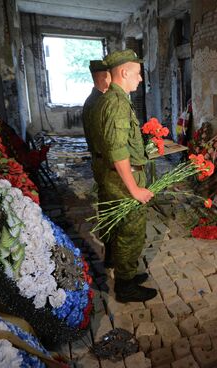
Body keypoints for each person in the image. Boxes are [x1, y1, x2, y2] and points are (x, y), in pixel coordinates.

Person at [91, 49, 156, 302]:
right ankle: (126, 287)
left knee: (119, 229)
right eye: (138, 74)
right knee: (131, 231)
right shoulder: (117, 103)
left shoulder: (109, 99)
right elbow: (118, 152)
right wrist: (135, 189)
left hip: (111, 178)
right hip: (122, 180)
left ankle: (125, 271)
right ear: (125, 72)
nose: (140, 79)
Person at [82, 60, 114, 267]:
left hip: (101, 163)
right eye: (111, 75)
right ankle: (112, 256)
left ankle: (112, 254)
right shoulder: (97, 103)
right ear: (104, 77)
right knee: (110, 209)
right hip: (105, 165)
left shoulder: (95, 100)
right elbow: (105, 142)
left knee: (108, 207)